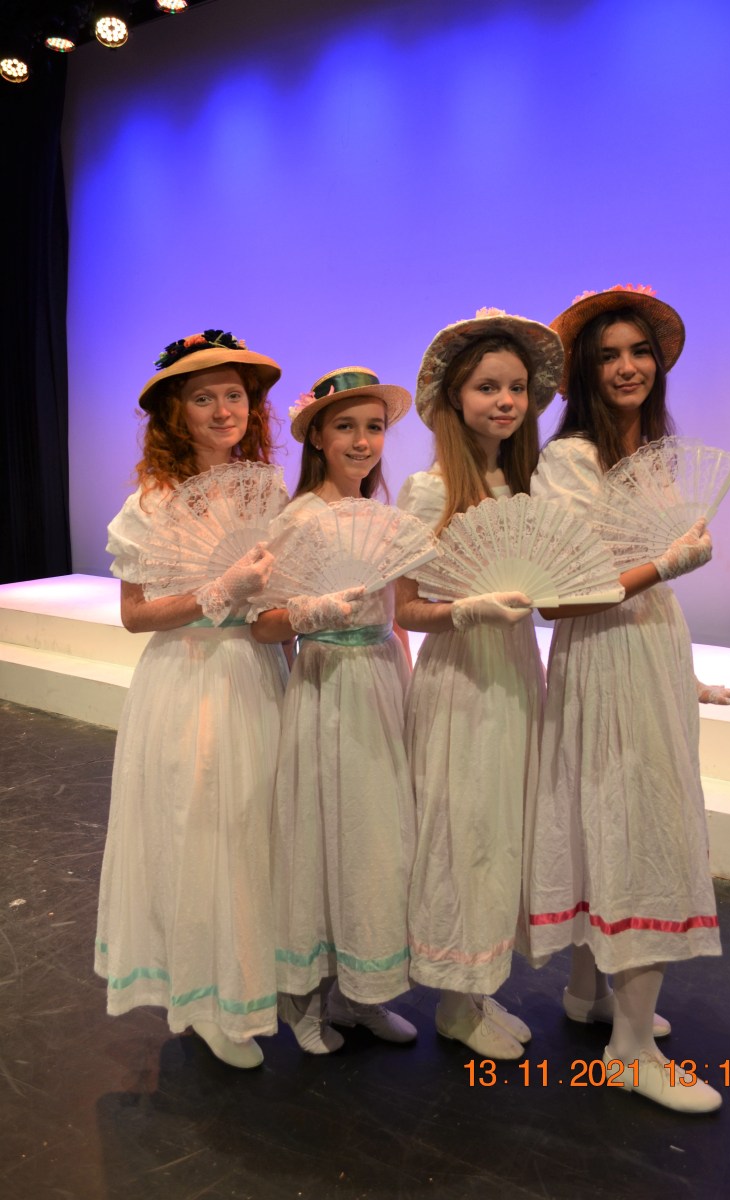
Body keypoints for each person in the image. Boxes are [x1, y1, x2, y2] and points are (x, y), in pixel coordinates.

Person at [522, 285, 730, 1113]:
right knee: (636, 831)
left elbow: (646, 584)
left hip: (649, 654)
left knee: (612, 825)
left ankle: (591, 999)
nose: (628, 367)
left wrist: (685, 677)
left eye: (639, 351)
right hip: (607, 661)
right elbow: (561, 599)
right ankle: (627, 1051)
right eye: (609, 355)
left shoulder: (646, 452)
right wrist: (668, 564)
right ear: (583, 371)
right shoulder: (570, 461)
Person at [95, 330, 288, 1069]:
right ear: (176, 414)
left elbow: (275, 599)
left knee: (253, 829)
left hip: (255, 673)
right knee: (199, 830)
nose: (222, 410)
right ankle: (203, 999)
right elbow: (136, 615)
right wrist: (217, 591)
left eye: (233, 395)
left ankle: (249, 981)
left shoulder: (267, 492)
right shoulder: (151, 504)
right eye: (203, 398)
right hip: (187, 678)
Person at [394, 307, 564, 1059]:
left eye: (516, 388)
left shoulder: (526, 486)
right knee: (463, 831)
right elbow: (404, 609)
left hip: (517, 672)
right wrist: (468, 610)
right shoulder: (428, 490)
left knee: (503, 830)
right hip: (461, 679)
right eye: (488, 387)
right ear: (455, 398)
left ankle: (479, 986)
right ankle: (454, 1001)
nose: (505, 401)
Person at [251, 366, 418, 1053]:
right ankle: (306, 999)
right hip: (326, 683)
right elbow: (262, 622)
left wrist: (406, 672)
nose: (361, 441)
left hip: (380, 677)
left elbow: (396, 612)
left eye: (373, 427)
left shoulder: (381, 517)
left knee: (377, 841)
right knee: (325, 834)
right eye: (345, 426)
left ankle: (362, 992)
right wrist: (310, 612)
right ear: (317, 437)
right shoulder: (297, 519)